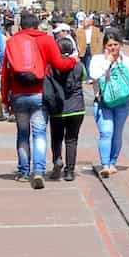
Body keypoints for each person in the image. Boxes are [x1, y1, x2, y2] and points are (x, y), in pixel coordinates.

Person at [1, 11, 78, 188]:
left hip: (18, 94)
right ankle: (39, 170)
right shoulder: (46, 40)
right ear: (37, 25)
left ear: (20, 27)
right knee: (40, 133)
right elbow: (59, 64)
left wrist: (5, 98)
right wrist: (73, 61)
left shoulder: (12, 41)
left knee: (22, 134)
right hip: (39, 92)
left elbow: (5, 73)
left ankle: (23, 171)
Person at [88, 34, 129, 179]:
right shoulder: (98, 59)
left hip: (122, 102)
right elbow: (94, 74)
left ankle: (112, 162)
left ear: (120, 45)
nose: (113, 48)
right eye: (110, 45)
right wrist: (108, 62)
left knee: (117, 133)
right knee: (106, 132)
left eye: (115, 44)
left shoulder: (126, 60)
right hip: (103, 102)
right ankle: (105, 165)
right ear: (105, 46)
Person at [43, 33, 88, 181]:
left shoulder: (51, 67)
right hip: (77, 108)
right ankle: (69, 171)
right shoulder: (79, 65)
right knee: (72, 139)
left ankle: (57, 159)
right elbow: (84, 78)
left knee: (56, 138)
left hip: (58, 108)